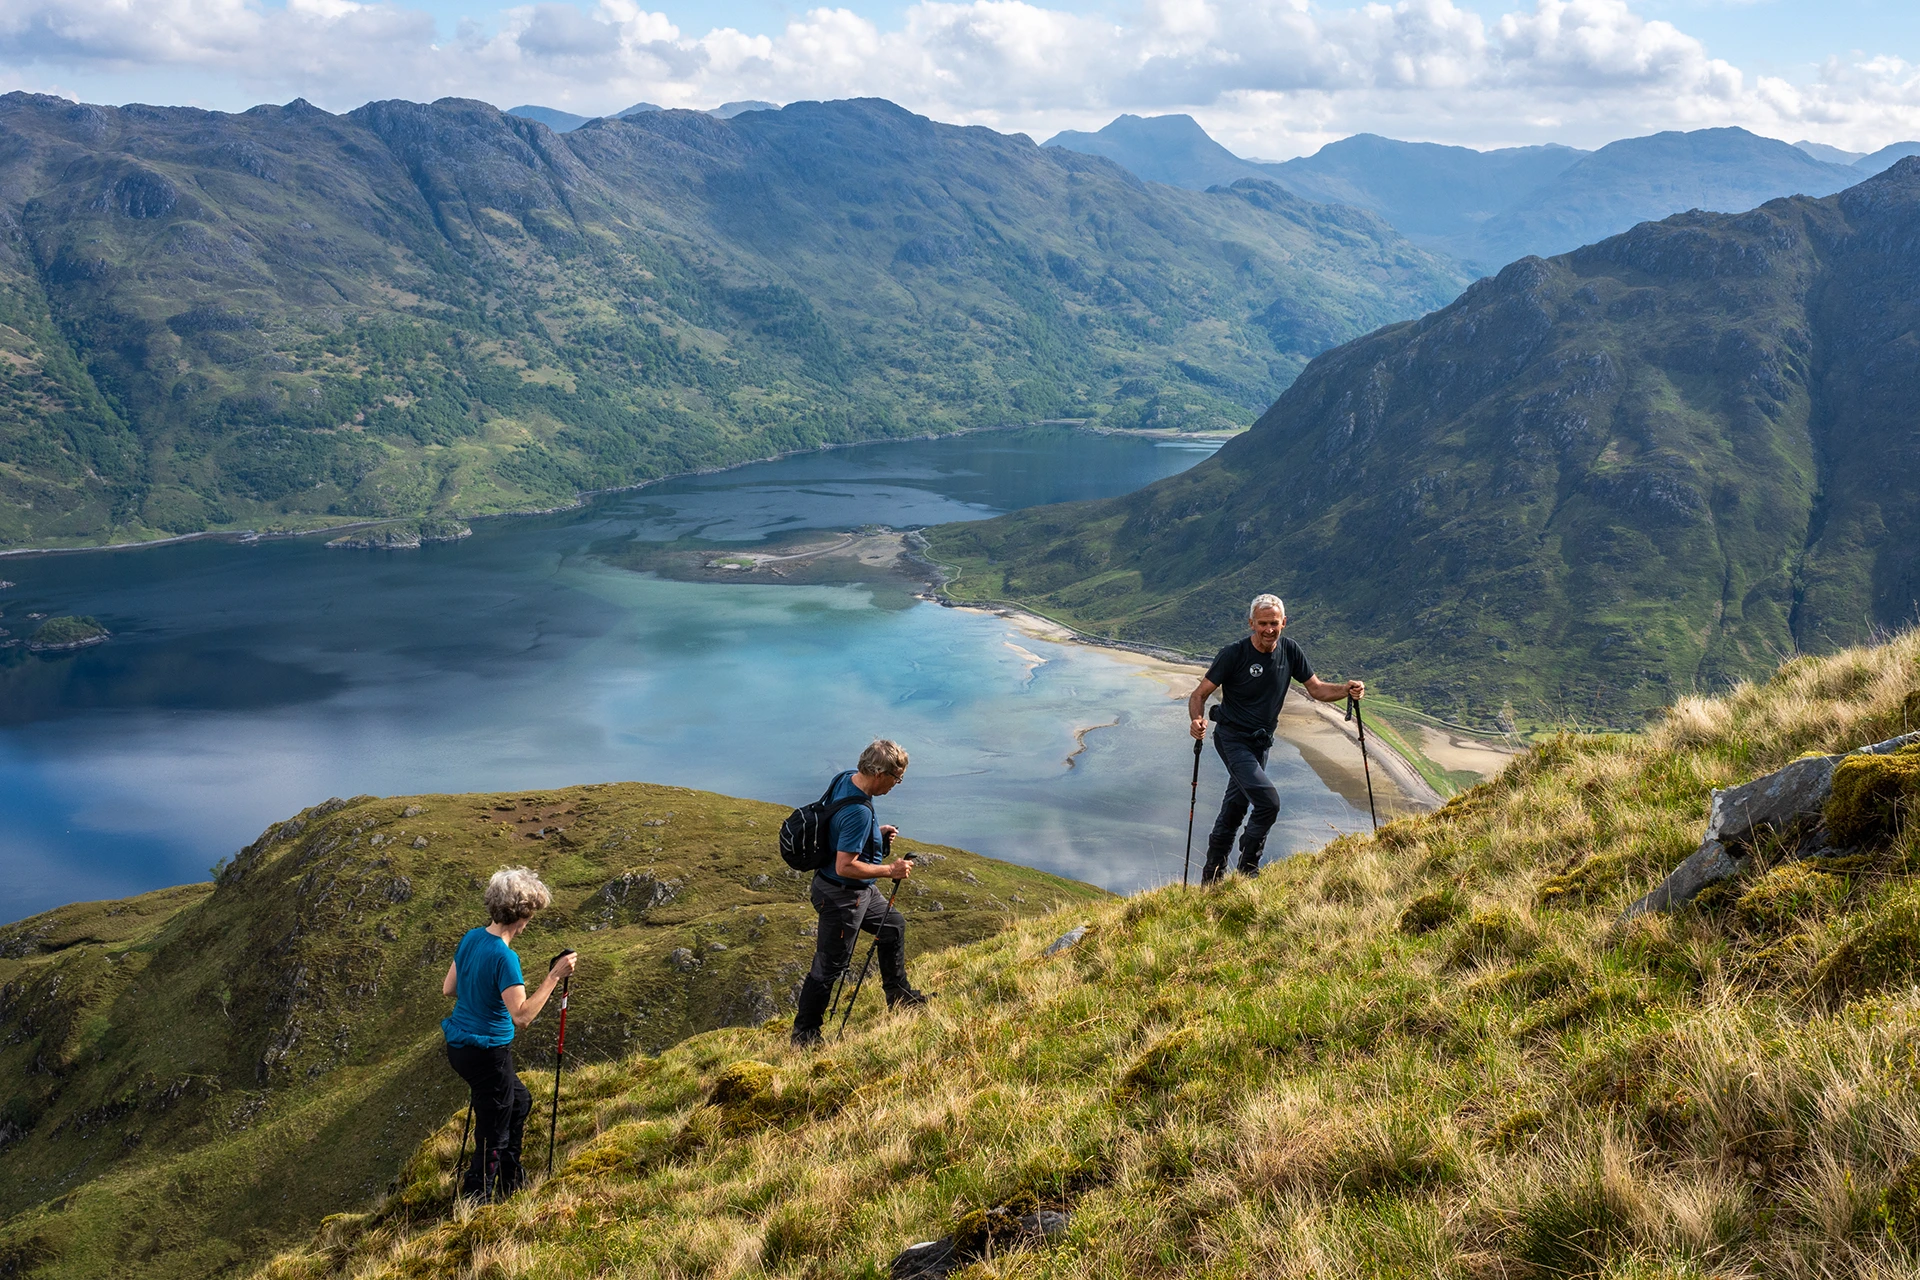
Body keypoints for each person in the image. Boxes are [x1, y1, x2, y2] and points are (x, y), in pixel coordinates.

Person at [1188, 594, 1364, 884]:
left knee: (1235, 807)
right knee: (1268, 803)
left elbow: (1317, 690)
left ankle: (1212, 880)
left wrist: (1347, 689)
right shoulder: (1233, 654)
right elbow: (1199, 694)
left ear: (1284, 622)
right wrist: (1196, 720)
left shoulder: (1290, 651)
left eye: (1274, 623)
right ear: (1251, 624)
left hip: (1261, 743)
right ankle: (1248, 869)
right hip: (1232, 738)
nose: (1269, 629)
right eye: (1262, 624)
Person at [441, 865, 577, 1199]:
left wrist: (481, 994)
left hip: (460, 1046)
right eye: (532, 913)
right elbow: (522, 1016)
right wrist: (554, 976)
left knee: (518, 1101)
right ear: (522, 914)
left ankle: (510, 1178)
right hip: (488, 1053)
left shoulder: (472, 938)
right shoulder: (505, 957)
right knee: (494, 1131)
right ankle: (477, 1200)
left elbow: (449, 989)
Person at [790, 739, 932, 1047]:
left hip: (855, 891)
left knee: (892, 926)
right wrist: (890, 870)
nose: (897, 784)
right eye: (896, 778)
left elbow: (836, 827)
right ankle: (805, 1036)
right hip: (841, 896)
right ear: (879, 774)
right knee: (829, 965)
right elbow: (845, 866)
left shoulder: (845, 779)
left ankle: (900, 997)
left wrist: (873, 836)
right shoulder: (859, 812)